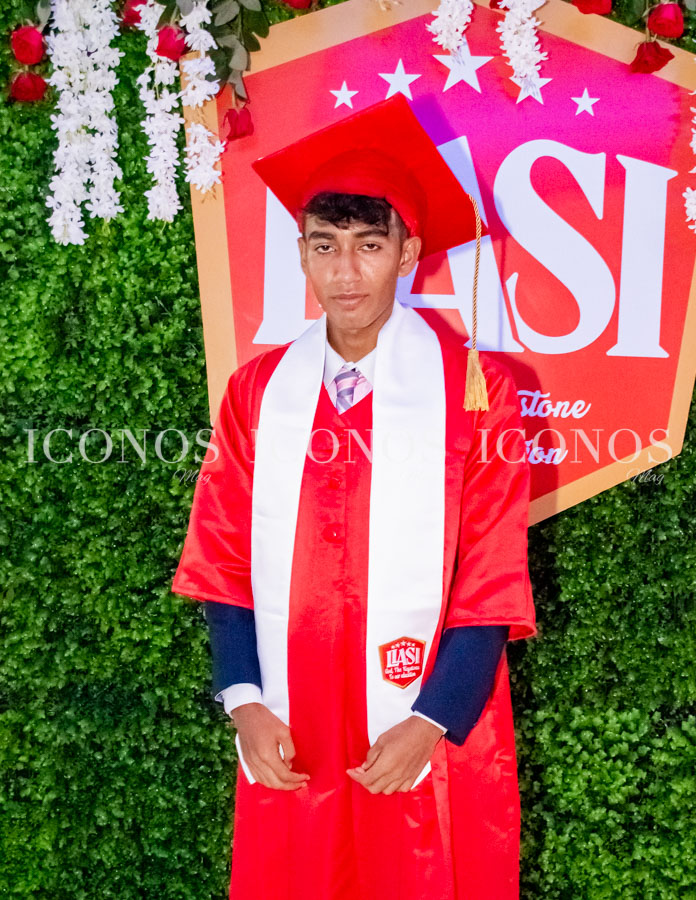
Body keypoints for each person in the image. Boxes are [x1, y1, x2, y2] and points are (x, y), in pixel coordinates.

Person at [171, 95, 536, 900]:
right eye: (325, 246)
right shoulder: (258, 392)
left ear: (408, 253)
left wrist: (433, 720)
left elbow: (491, 573)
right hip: (292, 714)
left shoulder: (475, 390)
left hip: (422, 707)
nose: (344, 272)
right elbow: (223, 553)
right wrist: (243, 699)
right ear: (301, 253)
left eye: (369, 245)